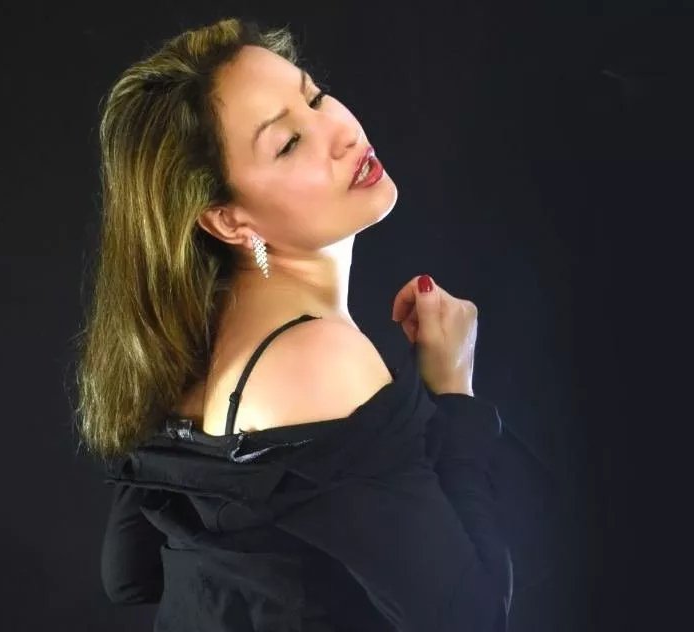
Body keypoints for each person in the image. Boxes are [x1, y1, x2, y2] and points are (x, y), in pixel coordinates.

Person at [75, 16, 560, 631]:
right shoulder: (319, 360)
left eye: (316, 96)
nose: (341, 132)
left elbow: (129, 576)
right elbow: (472, 619)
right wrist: (452, 390)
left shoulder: (187, 343)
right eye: (287, 143)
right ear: (228, 219)